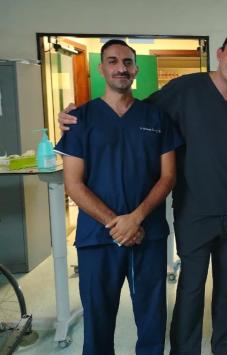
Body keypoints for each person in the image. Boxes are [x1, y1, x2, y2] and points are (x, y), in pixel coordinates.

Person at [59, 29, 227, 355]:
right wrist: (73, 115)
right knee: (190, 287)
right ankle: (184, 350)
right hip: (193, 208)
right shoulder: (184, 89)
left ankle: (225, 346)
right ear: (220, 53)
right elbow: (133, 110)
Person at [55, 39, 183, 355]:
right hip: (98, 237)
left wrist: (135, 219)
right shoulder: (80, 119)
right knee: (98, 322)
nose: (121, 68)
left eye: (127, 62)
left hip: (147, 235)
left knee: (152, 320)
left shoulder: (156, 118)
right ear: (102, 69)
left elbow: (168, 176)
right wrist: (117, 224)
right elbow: (73, 184)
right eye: (113, 61)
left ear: (136, 69)